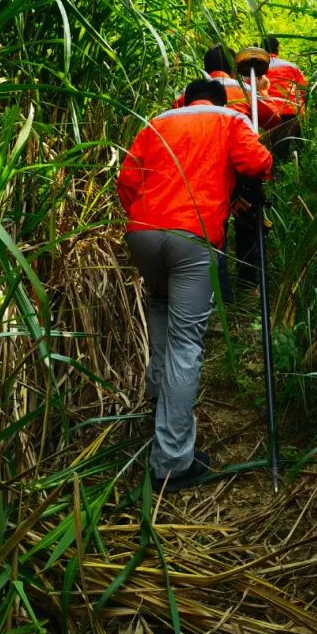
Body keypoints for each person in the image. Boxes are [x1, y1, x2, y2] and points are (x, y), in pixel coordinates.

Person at [117, 78, 272, 492]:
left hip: (142, 232)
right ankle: (170, 461)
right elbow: (257, 164)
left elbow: (127, 180)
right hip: (192, 237)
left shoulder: (157, 122)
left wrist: (147, 219)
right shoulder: (230, 118)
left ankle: (157, 405)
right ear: (221, 98)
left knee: (161, 310)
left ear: (184, 99)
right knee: (187, 342)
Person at [175, 46, 282, 296]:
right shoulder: (244, 88)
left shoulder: (187, 94)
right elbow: (273, 117)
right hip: (241, 164)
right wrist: (263, 91)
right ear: (233, 66)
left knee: (213, 224)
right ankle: (247, 282)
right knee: (248, 222)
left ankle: (218, 291)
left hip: (203, 165)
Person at [260, 35, 308, 162]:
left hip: (271, 114)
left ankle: (277, 171)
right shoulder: (291, 66)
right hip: (293, 110)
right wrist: (303, 110)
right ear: (277, 49)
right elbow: (304, 90)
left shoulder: (256, 70)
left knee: (277, 149)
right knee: (298, 145)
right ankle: (302, 166)